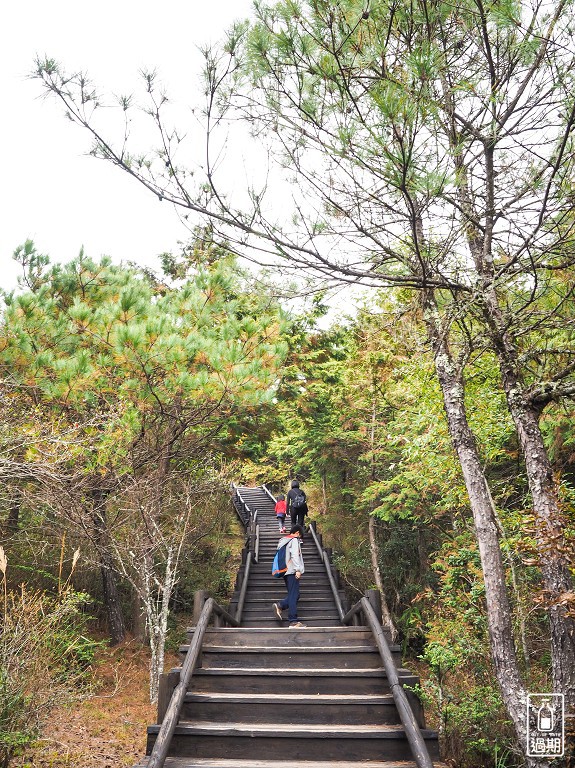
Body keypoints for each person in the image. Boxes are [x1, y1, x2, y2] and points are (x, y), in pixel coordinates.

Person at [272, 524, 306, 628]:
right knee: (293, 595)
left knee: (295, 595)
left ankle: (280, 606)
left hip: (285, 571)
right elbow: (295, 555)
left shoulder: (284, 541)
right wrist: (298, 569)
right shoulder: (294, 540)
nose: (300, 538)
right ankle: (293, 621)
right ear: (297, 533)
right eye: (300, 536)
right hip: (292, 571)